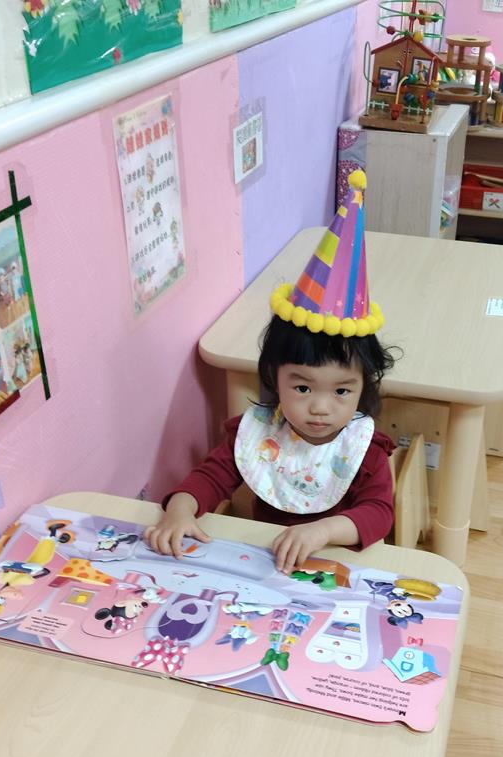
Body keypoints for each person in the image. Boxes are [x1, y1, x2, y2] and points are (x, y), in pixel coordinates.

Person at [146, 170, 398, 575]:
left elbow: (379, 514)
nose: (320, 408)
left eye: (342, 391)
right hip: (269, 566)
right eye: (302, 388)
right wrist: (179, 510)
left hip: (339, 566)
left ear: (362, 387)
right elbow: (210, 478)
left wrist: (324, 531)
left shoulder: (363, 449)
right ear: (274, 378)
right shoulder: (257, 433)